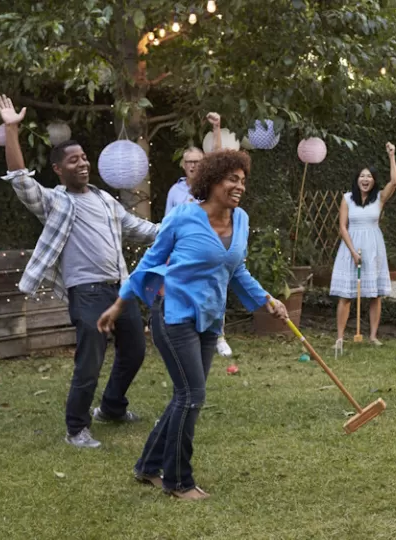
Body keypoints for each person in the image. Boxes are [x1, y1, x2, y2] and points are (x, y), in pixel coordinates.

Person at [97, 150, 288, 501]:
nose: (239, 186)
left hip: (210, 318)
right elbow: (149, 263)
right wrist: (119, 304)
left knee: (185, 396)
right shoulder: (183, 217)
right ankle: (178, 481)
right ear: (212, 180)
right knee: (191, 395)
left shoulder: (241, 219)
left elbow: (236, 270)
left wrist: (267, 300)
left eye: (243, 180)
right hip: (173, 314)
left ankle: (148, 466)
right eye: (232, 178)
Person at [0, 95, 159, 448]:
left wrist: (178, 227)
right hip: (87, 293)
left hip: (121, 290)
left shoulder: (104, 199)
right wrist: (11, 130)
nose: (82, 164)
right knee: (90, 362)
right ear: (59, 169)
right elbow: (21, 181)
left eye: (84, 158)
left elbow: (139, 228)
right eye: (73, 160)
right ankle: (76, 428)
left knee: (134, 352)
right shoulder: (56, 202)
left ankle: (112, 408)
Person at [163, 113, 233, 357]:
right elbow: (166, 225)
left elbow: (220, 159)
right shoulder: (175, 191)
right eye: (189, 162)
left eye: (198, 161)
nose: (193, 165)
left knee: (215, 290)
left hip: (210, 248)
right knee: (185, 293)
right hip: (184, 253)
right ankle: (188, 335)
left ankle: (218, 336)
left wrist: (216, 128)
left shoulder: (211, 187)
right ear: (184, 165)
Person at [329, 142, 396, 353]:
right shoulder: (347, 198)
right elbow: (342, 227)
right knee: (346, 295)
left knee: (375, 294)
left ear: (374, 180)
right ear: (356, 179)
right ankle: (340, 337)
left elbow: (395, 181)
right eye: (362, 176)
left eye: (369, 176)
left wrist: (392, 156)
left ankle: (373, 336)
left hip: (373, 246)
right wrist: (352, 251)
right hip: (351, 247)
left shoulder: (379, 198)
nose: (365, 179)